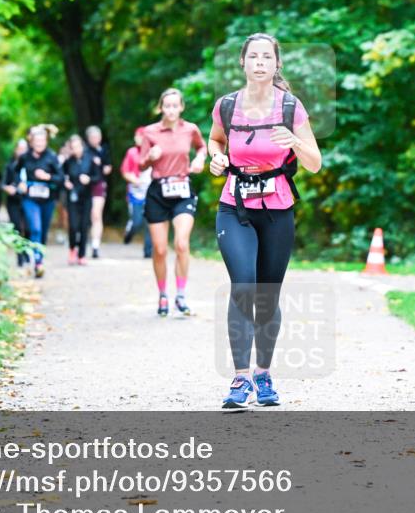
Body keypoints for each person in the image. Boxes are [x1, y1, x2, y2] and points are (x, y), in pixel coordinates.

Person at [207, 33, 321, 410]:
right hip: (234, 207)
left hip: (277, 208)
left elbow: (314, 162)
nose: (259, 62)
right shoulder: (226, 106)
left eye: (266, 57)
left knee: (267, 296)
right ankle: (240, 380)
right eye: (252, 56)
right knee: (243, 285)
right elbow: (216, 141)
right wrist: (216, 158)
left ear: (276, 64)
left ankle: (263, 374)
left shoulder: (290, 107)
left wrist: (294, 140)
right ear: (242, 62)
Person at [139, 88, 207, 317]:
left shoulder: (190, 129)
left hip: (182, 189)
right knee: (159, 249)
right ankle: (162, 295)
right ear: (161, 108)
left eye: (174, 106)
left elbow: (202, 146)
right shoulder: (150, 132)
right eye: (166, 106)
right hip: (158, 191)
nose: (170, 110)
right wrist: (150, 157)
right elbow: (139, 164)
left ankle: (180, 295)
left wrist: (199, 159)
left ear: (181, 107)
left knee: (181, 244)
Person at [13, 125, 64, 279]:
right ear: (32, 142)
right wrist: (19, 183)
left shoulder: (52, 157)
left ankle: (38, 257)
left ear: (46, 142)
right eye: (37, 141)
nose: (39, 143)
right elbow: (15, 172)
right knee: (35, 228)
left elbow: (61, 178)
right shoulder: (24, 157)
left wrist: (47, 177)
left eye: (42, 141)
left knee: (43, 231)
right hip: (30, 199)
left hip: (47, 200)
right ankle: (38, 262)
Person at [120, 127, 153, 258]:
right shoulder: (132, 152)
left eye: (141, 136)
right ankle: (129, 233)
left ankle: (148, 251)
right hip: (135, 193)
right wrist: (134, 180)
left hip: (150, 193)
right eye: (137, 136)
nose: (138, 139)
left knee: (150, 222)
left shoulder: (151, 152)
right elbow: (125, 171)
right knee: (137, 221)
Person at [62, 134, 93, 266]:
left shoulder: (90, 159)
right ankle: (72, 249)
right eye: (73, 147)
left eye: (77, 146)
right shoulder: (68, 162)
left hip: (86, 197)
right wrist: (66, 182)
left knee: (84, 226)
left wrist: (89, 179)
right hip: (73, 197)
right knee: (73, 226)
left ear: (82, 146)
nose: (76, 149)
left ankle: (82, 254)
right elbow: (60, 175)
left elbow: (98, 176)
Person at [85, 125, 112, 259]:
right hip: (85, 186)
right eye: (93, 137)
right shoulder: (84, 151)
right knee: (86, 215)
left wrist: (102, 165)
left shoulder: (104, 150)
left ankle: (95, 245)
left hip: (99, 184)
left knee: (96, 214)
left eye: (97, 137)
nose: (96, 139)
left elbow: (108, 168)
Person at [2, 139, 30, 268]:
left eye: (25, 149)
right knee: (17, 228)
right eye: (20, 149)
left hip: (28, 200)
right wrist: (9, 188)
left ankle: (27, 252)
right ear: (16, 150)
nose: (22, 152)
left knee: (29, 228)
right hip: (13, 201)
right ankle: (19, 255)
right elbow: (3, 183)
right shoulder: (10, 165)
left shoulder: (31, 165)